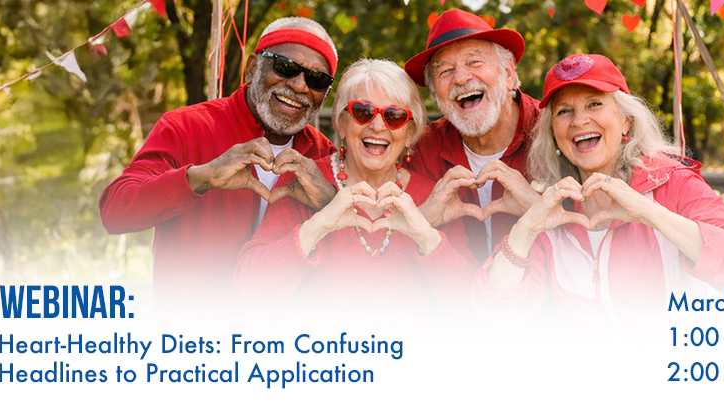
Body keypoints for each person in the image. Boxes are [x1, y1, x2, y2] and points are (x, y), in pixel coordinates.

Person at [473, 54, 724, 323]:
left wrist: (650, 213)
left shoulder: (672, 180)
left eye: (594, 103)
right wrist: (525, 230)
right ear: (553, 134)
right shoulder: (555, 207)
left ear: (626, 119)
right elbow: (497, 316)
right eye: (564, 111)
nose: (579, 120)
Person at [99, 17, 339, 320]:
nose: (299, 85)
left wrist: (331, 202)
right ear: (253, 67)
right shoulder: (186, 127)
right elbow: (115, 212)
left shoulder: (324, 155)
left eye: (316, 79)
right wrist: (201, 177)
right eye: (286, 67)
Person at [234, 59, 478, 319]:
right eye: (363, 112)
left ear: (410, 133)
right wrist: (319, 225)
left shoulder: (435, 198)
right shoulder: (304, 180)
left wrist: (426, 236)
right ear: (341, 123)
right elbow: (251, 290)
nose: (377, 126)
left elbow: (469, 304)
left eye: (394, 117)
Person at [403, 9, 543, 262]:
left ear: (508, 75)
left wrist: (543, 211)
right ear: (435, 95)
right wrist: (418, 222)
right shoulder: (421, 150)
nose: (461, 78)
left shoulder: (555, 132)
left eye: (474, 62)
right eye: (444, 71)